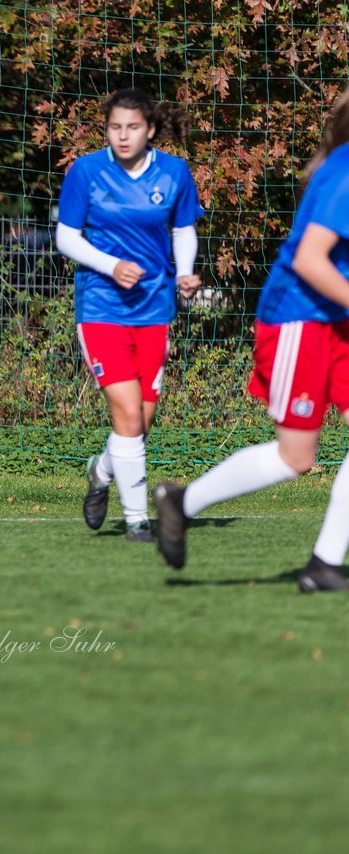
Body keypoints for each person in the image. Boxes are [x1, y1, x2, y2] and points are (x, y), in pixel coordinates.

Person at [155, 89, 349, 592]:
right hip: (299, 319)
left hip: (337, 320)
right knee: (297, 458)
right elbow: (310, 260)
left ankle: (325, 564)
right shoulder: (347, 170)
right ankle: (181, 503)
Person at [55, 88, 205, 541]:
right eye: (115, 127)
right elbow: (66, 237)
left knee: (141, 421)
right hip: (101, 306)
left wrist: (184, 273)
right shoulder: (86, 172)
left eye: (133, 127)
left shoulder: (175, 172)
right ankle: (138, 519)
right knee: (127, 415)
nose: (123, 136)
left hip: (154, 308)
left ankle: (100, 473)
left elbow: (183, 229)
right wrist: (110, 265)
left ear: (151, 130)